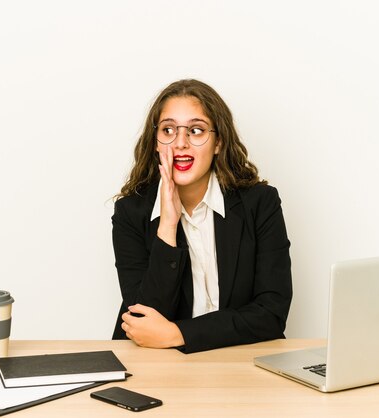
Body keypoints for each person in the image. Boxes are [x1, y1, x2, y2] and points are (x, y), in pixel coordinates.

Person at [111, 79, 292, 353]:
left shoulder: (260, 204)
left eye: (196, 131)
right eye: (168, 130)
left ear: (218, 142)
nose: (181, 143)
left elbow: (271, 314)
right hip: (155, 367)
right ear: (156, 143)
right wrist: (167, 227)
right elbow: (142, 322)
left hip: (238, 364)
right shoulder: (130, 213)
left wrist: (178, 333)